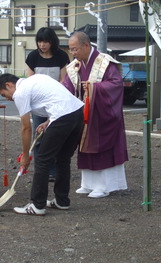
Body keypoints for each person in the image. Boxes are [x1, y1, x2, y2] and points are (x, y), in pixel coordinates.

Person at [0, 73, 84, 216]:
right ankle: (62, 201)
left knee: (42, 159)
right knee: (63, 158)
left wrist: (25, 155)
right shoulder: (37, 79)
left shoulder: (20, 92)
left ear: (8, 85)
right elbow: (56, 97)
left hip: (62, 116)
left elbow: (25, 128)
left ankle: (37, 205)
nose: (7, 98)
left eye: (4, 94)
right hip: (77, 113)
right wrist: (49, 121)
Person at [63, 32, 128, 198]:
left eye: (75, 49)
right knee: (84, 146)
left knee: (102, 147)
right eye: (71, 50)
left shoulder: (105, 62)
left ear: (86, 46)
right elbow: (67, 88)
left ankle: (104, 185)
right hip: (84, 114)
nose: (73, 53)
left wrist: (94, 88)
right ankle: (88, 184)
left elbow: (116, 84)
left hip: (102, 115)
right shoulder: (74, 66)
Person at [25, 27, 70, 182]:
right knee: (39, 136)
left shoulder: (61, 57)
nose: (42, 45)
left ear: (52, 42)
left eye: (45, 41)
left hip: (57, 102)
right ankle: (42, 169)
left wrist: (55, 94)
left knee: (55, 136)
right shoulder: (32, 57)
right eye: (39, 41)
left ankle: (55, 169)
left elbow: (64, 79)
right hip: (38, 103)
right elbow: (30, 80)